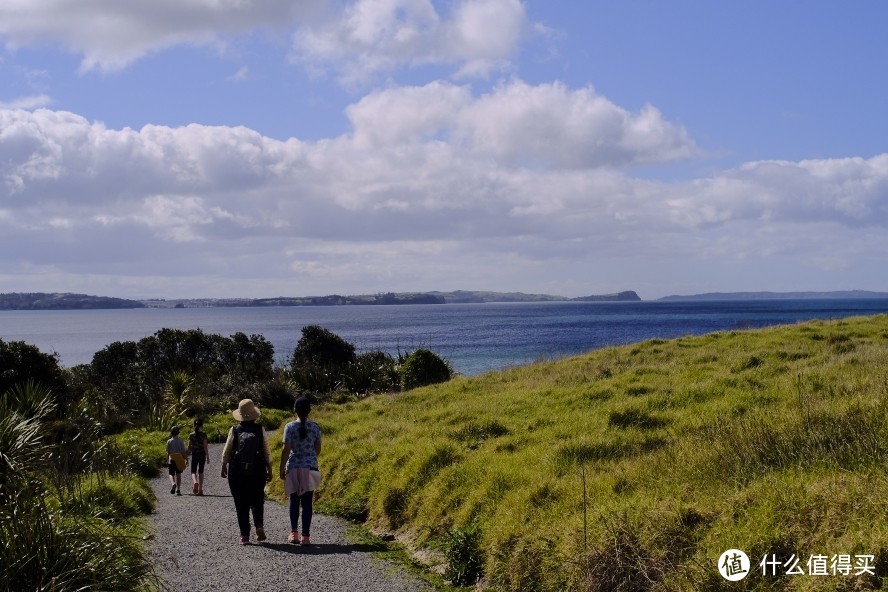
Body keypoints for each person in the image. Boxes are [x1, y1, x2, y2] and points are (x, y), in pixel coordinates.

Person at [221, 399, 272, 545]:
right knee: (257, 499)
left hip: (237, 471)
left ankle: (244, 536)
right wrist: (270, 469)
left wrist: (224, 465)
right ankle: (259, 526)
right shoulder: (259, 429)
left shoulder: (235, 430)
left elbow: (227, 449)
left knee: (240, 502)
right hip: (257, 469)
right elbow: (267, 450)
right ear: (254, 415)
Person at [280, 396, 322, 545]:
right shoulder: (316, 427)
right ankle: (306, 537)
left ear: (294, 410)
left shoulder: (289, 427)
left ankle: (294, 534)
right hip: (310, 467)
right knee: (307, 503)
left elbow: (286, 450)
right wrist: (309, 458)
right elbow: (318, 449)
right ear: (309, 410)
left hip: (294, 467)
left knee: (294, 501)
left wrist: (281, 468)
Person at [188, 418, 210, 495]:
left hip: (194, 454)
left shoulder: (191, 435)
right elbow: (205, 446)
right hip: (202, 454)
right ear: (202, 425)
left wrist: (188, 454)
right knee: (201, 471)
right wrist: (207, 457)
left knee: (193, 471)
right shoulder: (204, 435)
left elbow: (189, 446)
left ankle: (195, 482)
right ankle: (200, 489)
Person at [166, 425, 188, 496]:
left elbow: (168, 452)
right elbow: (183, 451)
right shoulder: (181, 441)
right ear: (178, 433)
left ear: (171, 433)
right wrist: (186, 459)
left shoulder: (169, 441)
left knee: (171, 474)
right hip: (179, 458)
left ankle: (173, 483)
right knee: (178, 474)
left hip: (172, 458)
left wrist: (167, 460)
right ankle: (178, 490)